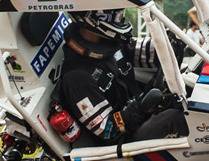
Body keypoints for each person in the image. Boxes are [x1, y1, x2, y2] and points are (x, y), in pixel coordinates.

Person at [58, 9, 188, 144]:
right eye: (117, 16)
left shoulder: (111, 44)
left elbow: (152, 52)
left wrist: (170, 42)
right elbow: (107, 130)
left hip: (139, 116)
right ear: (93, 20)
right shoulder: (77, 77)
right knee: (175, 118)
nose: (121, 20)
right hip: (124, 142)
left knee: (190, 102)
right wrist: (141, 107)